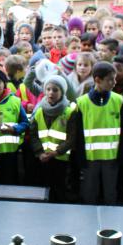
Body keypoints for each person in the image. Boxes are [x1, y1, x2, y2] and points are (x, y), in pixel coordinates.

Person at [69, 62, 123, 204]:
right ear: (97, 80)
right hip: (90, 159)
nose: (114, 82)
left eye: (115, 78)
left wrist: (122, 155)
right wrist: (80, 157)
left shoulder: (118, 100)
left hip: (112, 158)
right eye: (110, 79)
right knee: (89, 193)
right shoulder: (82, 102)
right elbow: (78, 135)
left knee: (110, 194)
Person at [28, 74, 75, 202]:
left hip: (61, 158)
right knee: (44, 188)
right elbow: (33, 134)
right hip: (43, 157)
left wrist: (56, 152)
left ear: (62, 92)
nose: (51, 93)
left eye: (55, 90)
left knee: (59, 188)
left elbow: (72, 137)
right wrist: (40, 152)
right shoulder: (39, 110)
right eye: (48, 89)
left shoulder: (70, 111)